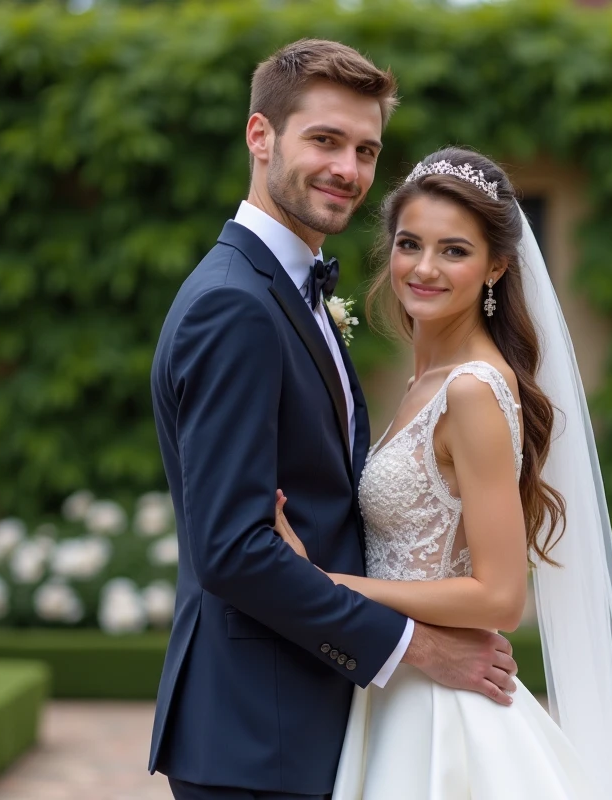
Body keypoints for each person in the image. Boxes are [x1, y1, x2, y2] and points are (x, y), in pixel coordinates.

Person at [148, 42, 518, 800]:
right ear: (260, 136)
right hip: (259, 735)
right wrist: (418, 647)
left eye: (366, 150)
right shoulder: (235, 305)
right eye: (325, 140)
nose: (347, 169)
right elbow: (232, 551)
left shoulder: (291, 292)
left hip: (313, 723)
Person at [273, 147, 612, 799]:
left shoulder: (472, 390)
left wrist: (329, 585)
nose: (424, 268)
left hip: (441, 713)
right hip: (395, 687)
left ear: (496, 266)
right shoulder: (425, 381)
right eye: (410, 244)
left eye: (454, 251)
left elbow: (500, 597)